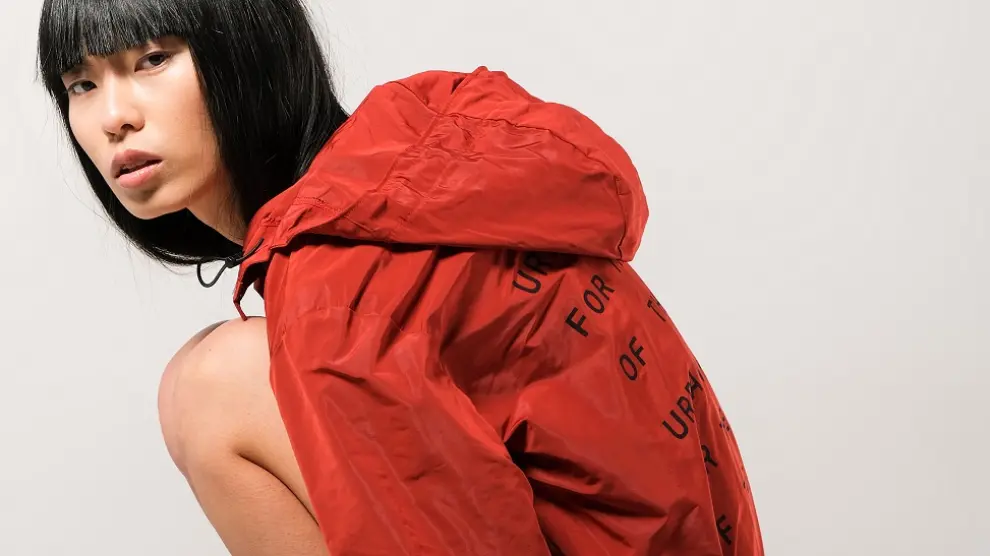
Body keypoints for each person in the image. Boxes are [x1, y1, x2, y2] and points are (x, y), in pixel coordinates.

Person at [38, 1, 764, 554]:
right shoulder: (408, 157)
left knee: (209, 385)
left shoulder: (335, 288)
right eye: (82, 84)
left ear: (250, 47)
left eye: (153, 59)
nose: (114, 118)